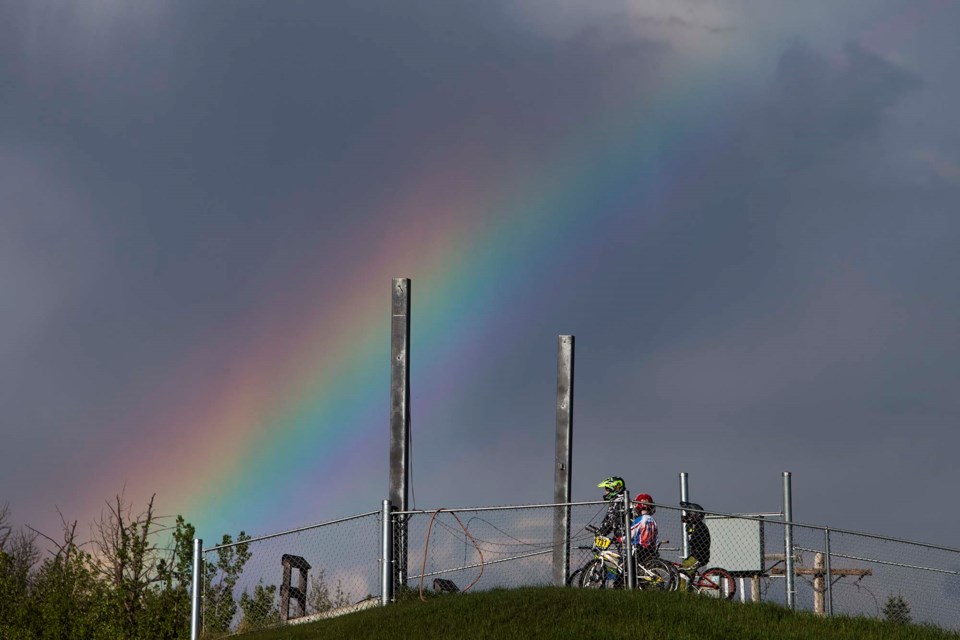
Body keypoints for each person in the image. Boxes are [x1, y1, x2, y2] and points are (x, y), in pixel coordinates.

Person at [680, 501, 711, 574]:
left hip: (698, 556)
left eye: (688, 515)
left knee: (684, 571)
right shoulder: (697, 526)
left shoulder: (700, 527)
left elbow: (694, 542)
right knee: (686, 565)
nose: (686, 517)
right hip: (697, 555)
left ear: (693, 515)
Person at [596, 476, 628, 540]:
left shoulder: (618, 501)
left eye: (607, 489)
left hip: (623, 536)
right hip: (622, 535)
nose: (606, 492)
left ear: (614, 488)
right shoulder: (623, 500)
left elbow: (610, 519)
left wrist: (600, 532)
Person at [630, 493, 659, 565]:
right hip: (650, 549)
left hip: (639, 549)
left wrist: (620, 538)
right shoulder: (653, 520)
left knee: (623, 566)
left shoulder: (639, 519)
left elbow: (630, 534)